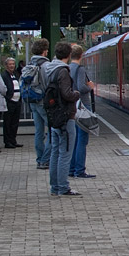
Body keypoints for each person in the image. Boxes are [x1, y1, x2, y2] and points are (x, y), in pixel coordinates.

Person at [44, 42, 81, 196]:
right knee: (65, 154)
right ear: (69, 55)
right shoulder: (63, 71)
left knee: (55, 153)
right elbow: (66, 93)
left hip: (54, 116)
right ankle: (63, 187)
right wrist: (76, 94)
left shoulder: (49, 69)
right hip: (65, 116)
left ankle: (54, 187)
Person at [68, 44, 96, 178]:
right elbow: (81, 88)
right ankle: (79, 170)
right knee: (82, 139)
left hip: (72, 106)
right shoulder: (80, 69)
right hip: (82, 107)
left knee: (73, 139)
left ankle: (71, 169)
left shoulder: (67, 68)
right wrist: (90, 86)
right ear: (81, 55)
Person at [28, 39, 51, 169]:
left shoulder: (30, 64)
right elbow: (48, 84)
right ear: (44, 51)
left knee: (39, 132)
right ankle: (45, 160)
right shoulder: (45, 65)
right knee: (53, 130)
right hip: (43, 101)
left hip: (33, 101)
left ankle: (39, 159)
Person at [0, 57, 23, 149]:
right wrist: (8, 98)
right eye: (10, 64)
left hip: (17, 102)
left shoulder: (16, 74)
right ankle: (7, 141)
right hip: (10, 102)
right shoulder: (4, 75)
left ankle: (13, 140)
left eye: (13, 64)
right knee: (8, 123)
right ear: (6, 65)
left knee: (15, 122)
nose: (12, 66)